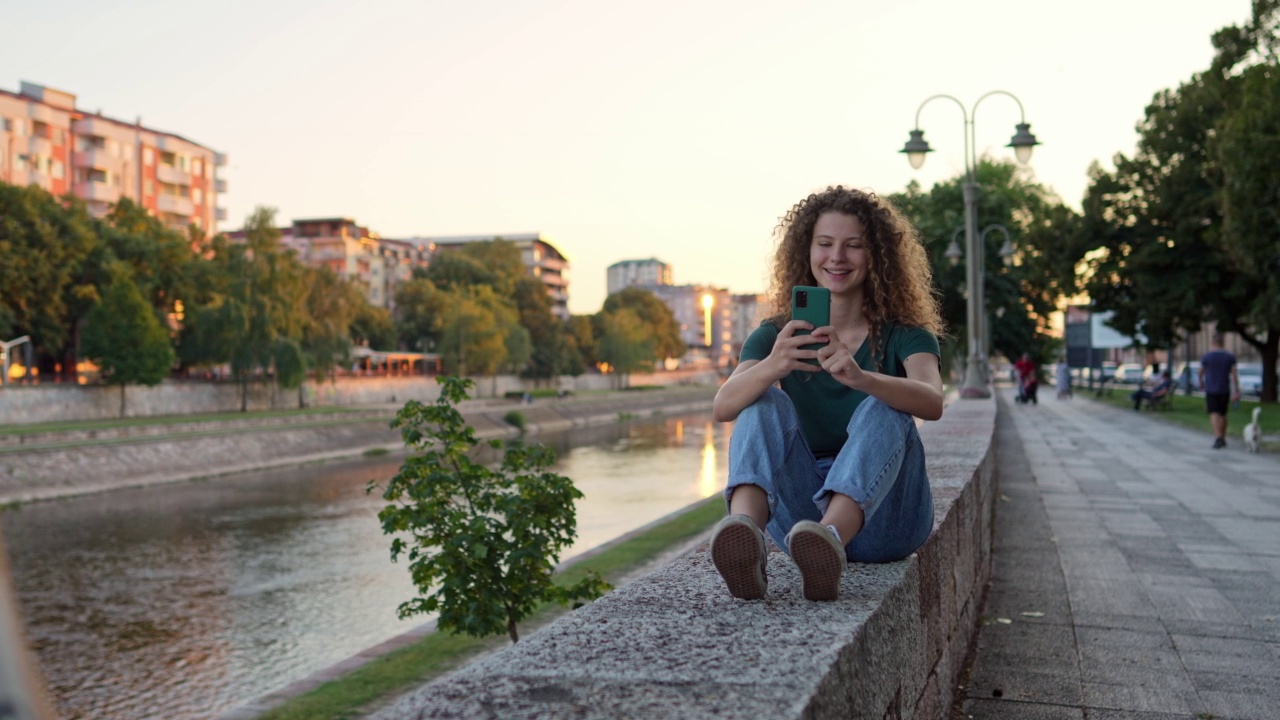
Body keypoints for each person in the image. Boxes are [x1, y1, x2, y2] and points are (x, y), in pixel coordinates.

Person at [707, 186, 944, 602]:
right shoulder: (777, 335)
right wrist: (773, 365)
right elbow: (724, 406)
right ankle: (745, 534)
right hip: (801, 531)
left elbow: (932, 400)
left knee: (885, 406)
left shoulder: (906, 335)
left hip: (887, 524)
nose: (837, 257)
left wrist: (862, 378)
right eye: (825, 244)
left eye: (853, 246)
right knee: (762, 400)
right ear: (807, 251)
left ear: (875, 257)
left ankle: (832, 538)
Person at [1199, 332, 1240, 449]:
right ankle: (1223, 436)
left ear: (1212, 343)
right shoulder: (1229, 357)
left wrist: (1201, 383)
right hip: (1224, 389)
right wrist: (1236, 390)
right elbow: (1234, 374)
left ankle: (1218, 438)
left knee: (1213, 413)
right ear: (1223, 343)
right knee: (1223, 414)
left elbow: (1200, 372)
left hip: (1211, 389)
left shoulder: (1207, 356)